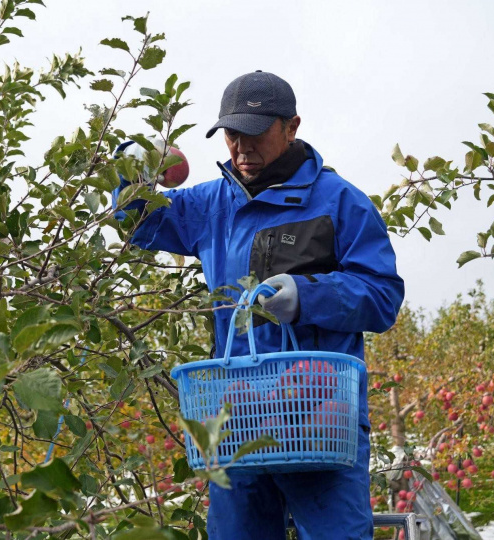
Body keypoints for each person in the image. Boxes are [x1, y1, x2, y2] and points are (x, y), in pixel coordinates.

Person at [112, 71, 404, 539]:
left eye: (254, 133)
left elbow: (383, 296)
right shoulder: (212, 205)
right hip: (239, 417)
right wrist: (132, 168)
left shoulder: (342, 204)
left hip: (320, 414)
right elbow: (140, 224)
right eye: (232, 134)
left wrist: (308, 295)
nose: (241, 147)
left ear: (291, 127)